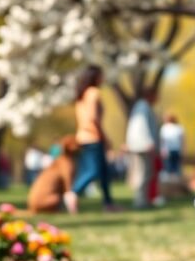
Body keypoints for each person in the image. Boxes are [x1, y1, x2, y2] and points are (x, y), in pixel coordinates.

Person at [70, 65, 118, 212]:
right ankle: (73, 192)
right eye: (101, 75)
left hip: (82, 137)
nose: (103, 79)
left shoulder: (82, 94)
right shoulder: (93, 93)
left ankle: (108, 204)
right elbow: (93, 118)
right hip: (93, 137)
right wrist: (104, 137)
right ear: (95, 77)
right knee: (94, 170)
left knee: (103, 172)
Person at [125, 90, 161, 208]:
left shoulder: (141, 106)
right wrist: (148, 142)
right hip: (142, 146)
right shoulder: (142, 106)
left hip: (139, 145)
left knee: (146, 173)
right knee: (143, 173)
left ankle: (144, 200)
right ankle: (140, 202)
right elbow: (141, 126)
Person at [28, 136, 80, 213]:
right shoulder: (66, 164)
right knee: (56, 198)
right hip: (44, 202)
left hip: (36, 203)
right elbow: (68, 186)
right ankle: (71, 209)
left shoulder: (59, 162)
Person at [159, 113, 185, 178]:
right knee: (176, 168)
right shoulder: (179, 128)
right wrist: (183, 149)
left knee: (168, 168)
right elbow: (182, 140)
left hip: (168, 150)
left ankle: (169, 183)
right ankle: (175, 182)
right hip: (177, 149)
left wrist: (162, 149)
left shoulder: (164, 127)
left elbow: (162, 140)